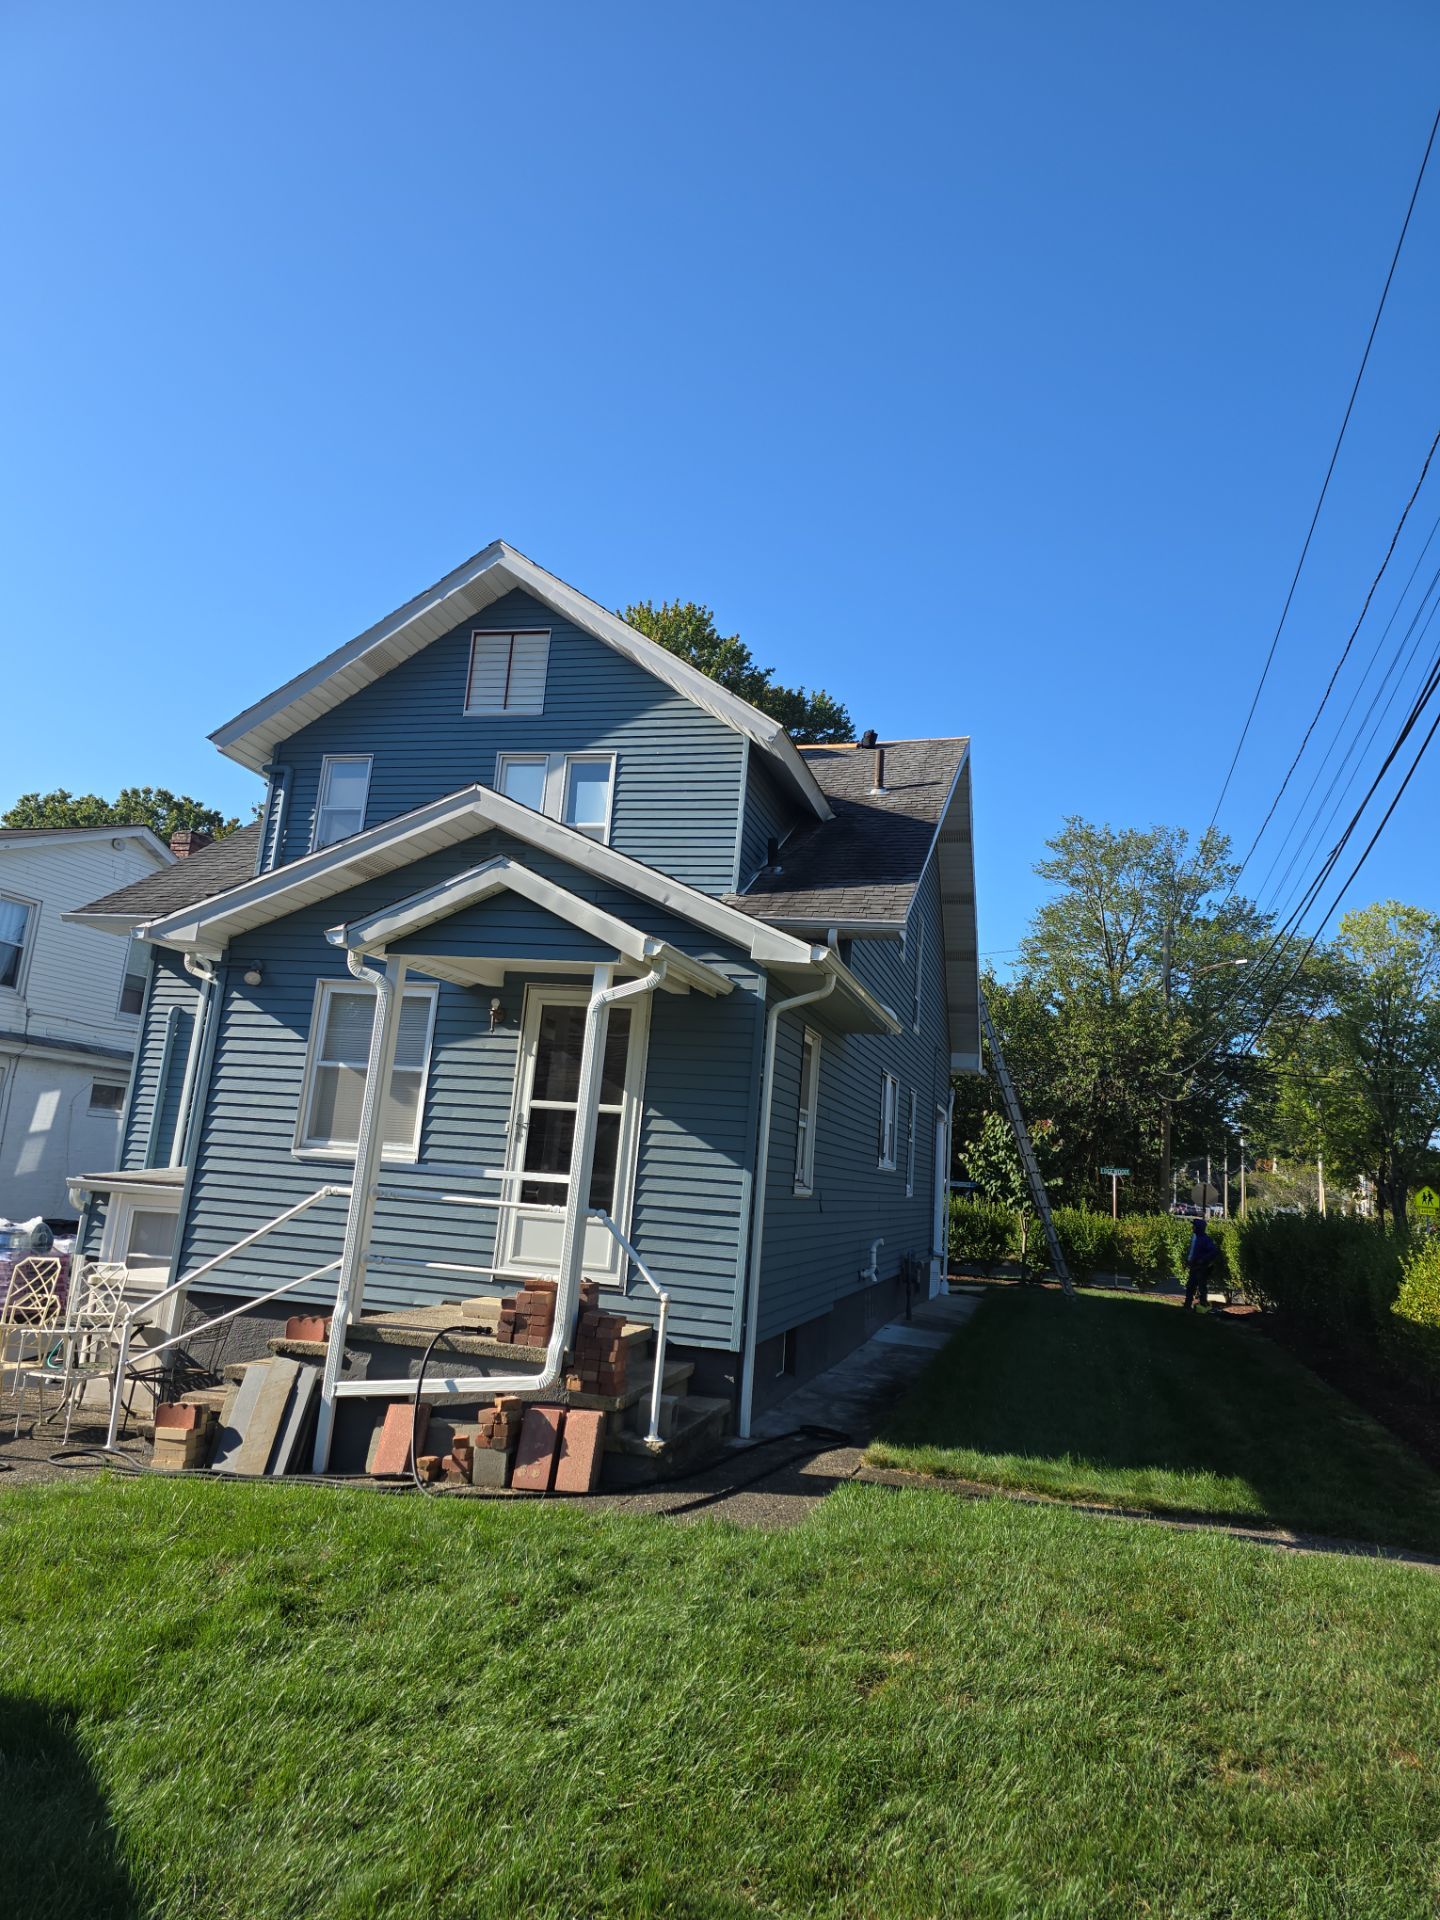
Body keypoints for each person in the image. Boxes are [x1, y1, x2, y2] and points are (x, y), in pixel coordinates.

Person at [1183, 1219, 1219, 1310]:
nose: (1193, 1228)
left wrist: (1203, 1259)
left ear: (1199, 1228)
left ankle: (1203, 1305)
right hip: (1193, 1266)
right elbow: (1192, 1251)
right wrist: (1188, 1260)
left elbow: (1213, 1251)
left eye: (1194, 1226)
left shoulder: (1205, 1239)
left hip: (1201, 1267)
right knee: (1190, 1286)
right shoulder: (1195, 1237)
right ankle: (1188, 1304)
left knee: (1201, 1286)